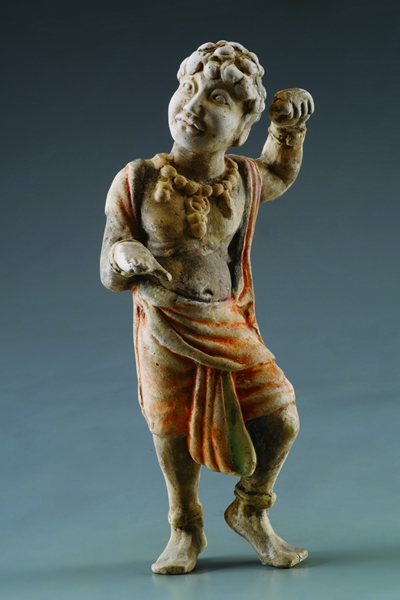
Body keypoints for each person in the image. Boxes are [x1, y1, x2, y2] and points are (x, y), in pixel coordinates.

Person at [100, 40, 314, 575]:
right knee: (171, 429)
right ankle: (185, 526)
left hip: (224, 318)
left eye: (217, 98)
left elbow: (280, 173)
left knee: (281, 417)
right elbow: (110, 257)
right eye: (188, 88)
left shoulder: (241, 179)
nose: (193, 105)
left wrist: (288, 128)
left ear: (241, 127)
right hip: (164, 320)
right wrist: (126, 256)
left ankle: (250, 509)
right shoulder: (139, 179)